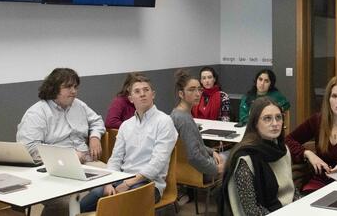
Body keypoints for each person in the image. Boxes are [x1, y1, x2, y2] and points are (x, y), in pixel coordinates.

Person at [80, 73, 177, 212]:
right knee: (84, 203)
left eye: (146, 90)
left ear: (153, 94)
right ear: (131, 98)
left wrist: (127, 183)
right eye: (137, 91)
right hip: (122, 178)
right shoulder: (126, 125)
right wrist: (109, 183)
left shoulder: (164, 121)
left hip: (149, 184)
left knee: (117, 206)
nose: (142, 94)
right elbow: (115, 159)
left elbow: (157, 164)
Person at [219, 97, 298, 216]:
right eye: (267, 119)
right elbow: (251, 210)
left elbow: (292, 190)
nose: (275, 124)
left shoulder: (283, 150)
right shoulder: (245, 159)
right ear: (255, 123)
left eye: (278, 117)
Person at [17, 68, 105, 164]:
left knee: (114, 177)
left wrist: (95, 137)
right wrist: (68, 156)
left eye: (75, 87)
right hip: (56, 164)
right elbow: (29, 148)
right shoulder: (37, 112)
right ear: (53, 89)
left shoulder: (79, 105)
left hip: (87, 160)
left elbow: (97, 121)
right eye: (68, 87)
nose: (74, 91)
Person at [170, 70, 225, 182]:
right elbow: (194, 156)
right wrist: (217, 169)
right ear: (181, 94)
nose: (197, 94)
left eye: (199, 89)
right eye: (191, 90)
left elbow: (193, 144)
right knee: (236, 156)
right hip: (200, 172)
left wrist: (211, 151)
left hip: (185, 171)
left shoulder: (176, 113)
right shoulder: (184, 120)